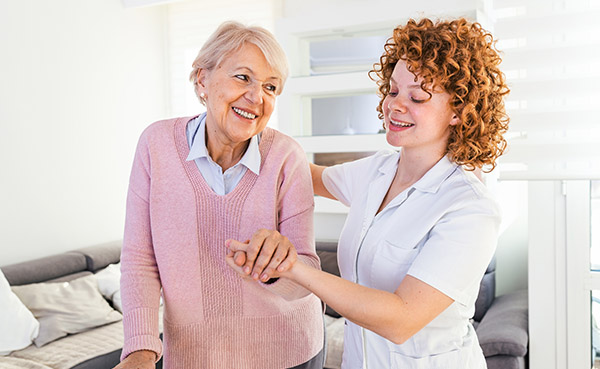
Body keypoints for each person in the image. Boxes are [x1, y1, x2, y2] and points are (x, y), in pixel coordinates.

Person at [226, 17, 509, 368]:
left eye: (417, 97)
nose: (396, 105)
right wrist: (248, 123)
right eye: (392, 90)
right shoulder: (377, 171)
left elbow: (401, 319)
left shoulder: (470, 208)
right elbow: (303, 174)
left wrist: (294, 268)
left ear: (459, 111)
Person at [115, 21, 324, 369]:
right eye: (243, 77)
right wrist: (140, 350)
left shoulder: (287, 156)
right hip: (194, 357)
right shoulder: (156, 145)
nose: (257, 98)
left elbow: (306, 275)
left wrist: (279, 265)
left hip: (290, 351)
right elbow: (139, 260)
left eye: (270, 87)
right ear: (202, 80)